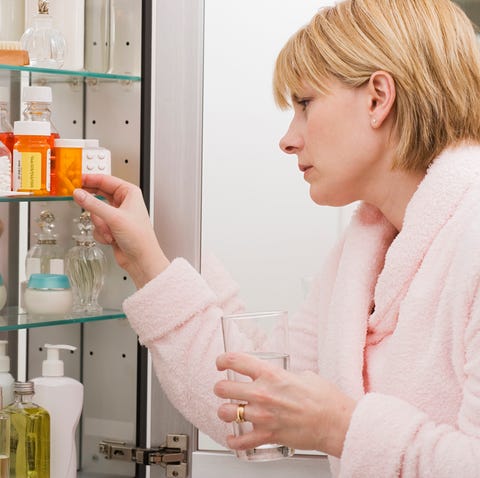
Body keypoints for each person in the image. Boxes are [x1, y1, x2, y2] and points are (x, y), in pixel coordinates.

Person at [73, 0, 480, 476]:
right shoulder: (366, 249)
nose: (288, 138)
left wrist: (342, 429)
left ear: (378, 98)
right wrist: (149, 260)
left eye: (304, 104)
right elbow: (258, 406)